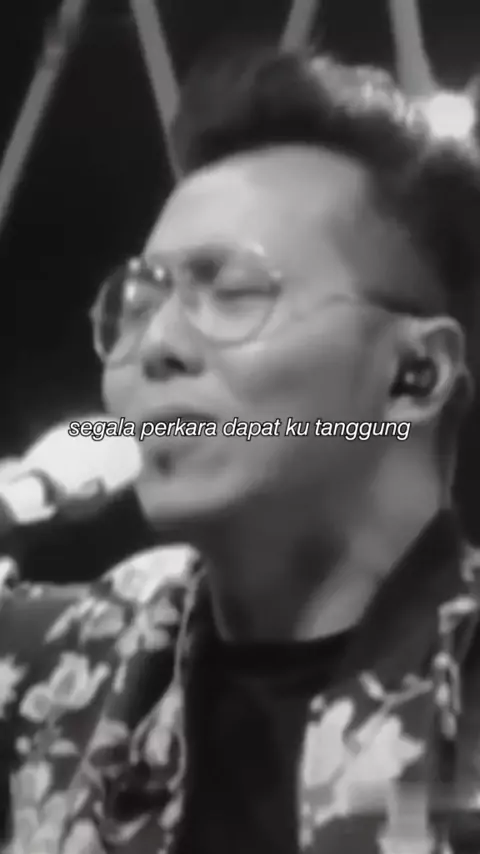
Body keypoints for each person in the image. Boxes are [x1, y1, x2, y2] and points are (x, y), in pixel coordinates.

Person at [2, 47, 480, 854]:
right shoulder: (52, 668)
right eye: (138, 305)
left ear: (414, 375)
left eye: (231, 294)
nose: (156, 345)